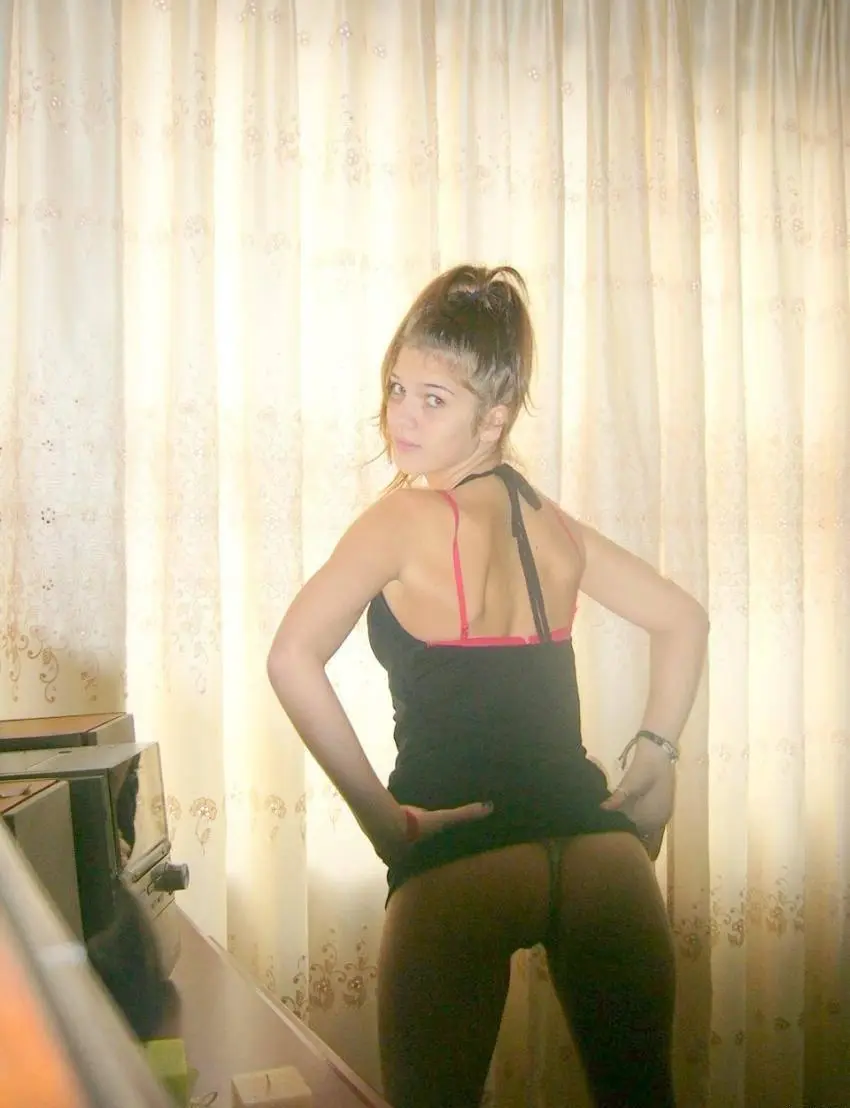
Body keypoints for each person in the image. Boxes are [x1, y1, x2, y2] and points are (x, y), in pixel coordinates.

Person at [266, 264, 709, 1108]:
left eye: (434, 398)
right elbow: (684, 619)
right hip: (598, 853)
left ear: (495, 417)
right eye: (397, 388)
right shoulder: (553, 524)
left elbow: (291, 657)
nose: (402, 414)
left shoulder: (400, 518)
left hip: (462, 854)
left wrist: (384, 822)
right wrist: (656, 754)